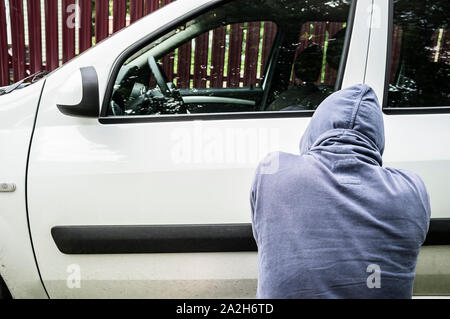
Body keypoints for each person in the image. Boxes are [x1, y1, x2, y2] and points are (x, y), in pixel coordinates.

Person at [250, 84, 431, 298]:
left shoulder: (273, 170)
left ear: (315, 128)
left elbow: (265, 237)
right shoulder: (412, 189)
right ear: (377, 138)